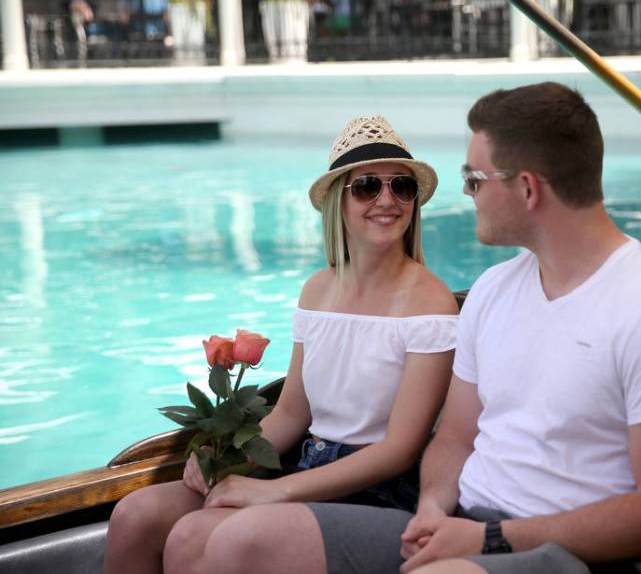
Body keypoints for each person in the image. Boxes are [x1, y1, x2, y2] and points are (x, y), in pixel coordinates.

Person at [173, 81, 641, 574]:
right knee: (241, 544)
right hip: (464, 523)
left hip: (564, 553)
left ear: (528, 189)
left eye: (474, 179)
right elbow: (456, 436)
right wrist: (435, 509)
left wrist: (487, 538)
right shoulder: (493, 292)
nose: (466, 194)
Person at [103, 116, 459, 574]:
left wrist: (272, 491)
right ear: (339, 201)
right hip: (307, 464)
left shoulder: (430, 301)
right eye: (368, 186)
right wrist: (225, 459)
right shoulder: (317, 290)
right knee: (135, 515)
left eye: (402, 187)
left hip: (379, 488)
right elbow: (292, 413)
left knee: (195, 534)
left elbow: (399, 450)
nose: (387, 200)